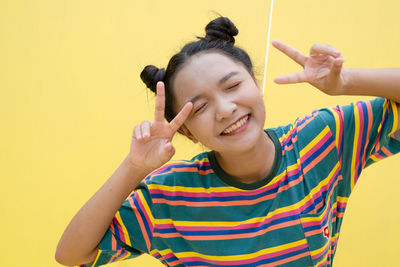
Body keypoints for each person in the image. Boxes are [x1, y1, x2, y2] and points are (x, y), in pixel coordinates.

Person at [56, 17, 400, 267]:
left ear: (254, 82)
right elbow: (72, 254)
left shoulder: (322, 140)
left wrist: (346, 82)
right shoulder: (169, 196)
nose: (224, 109)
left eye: (233, 86)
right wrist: (133, 169)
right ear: (187, 131)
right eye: (200, 107)